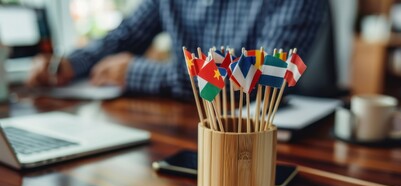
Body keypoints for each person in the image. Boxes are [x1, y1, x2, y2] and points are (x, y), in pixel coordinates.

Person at [27, 0, 329, 100]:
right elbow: (127, 34)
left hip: (266, 147)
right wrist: (70, 63)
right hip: (181, 130)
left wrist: (140, 72)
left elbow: (269, 75)